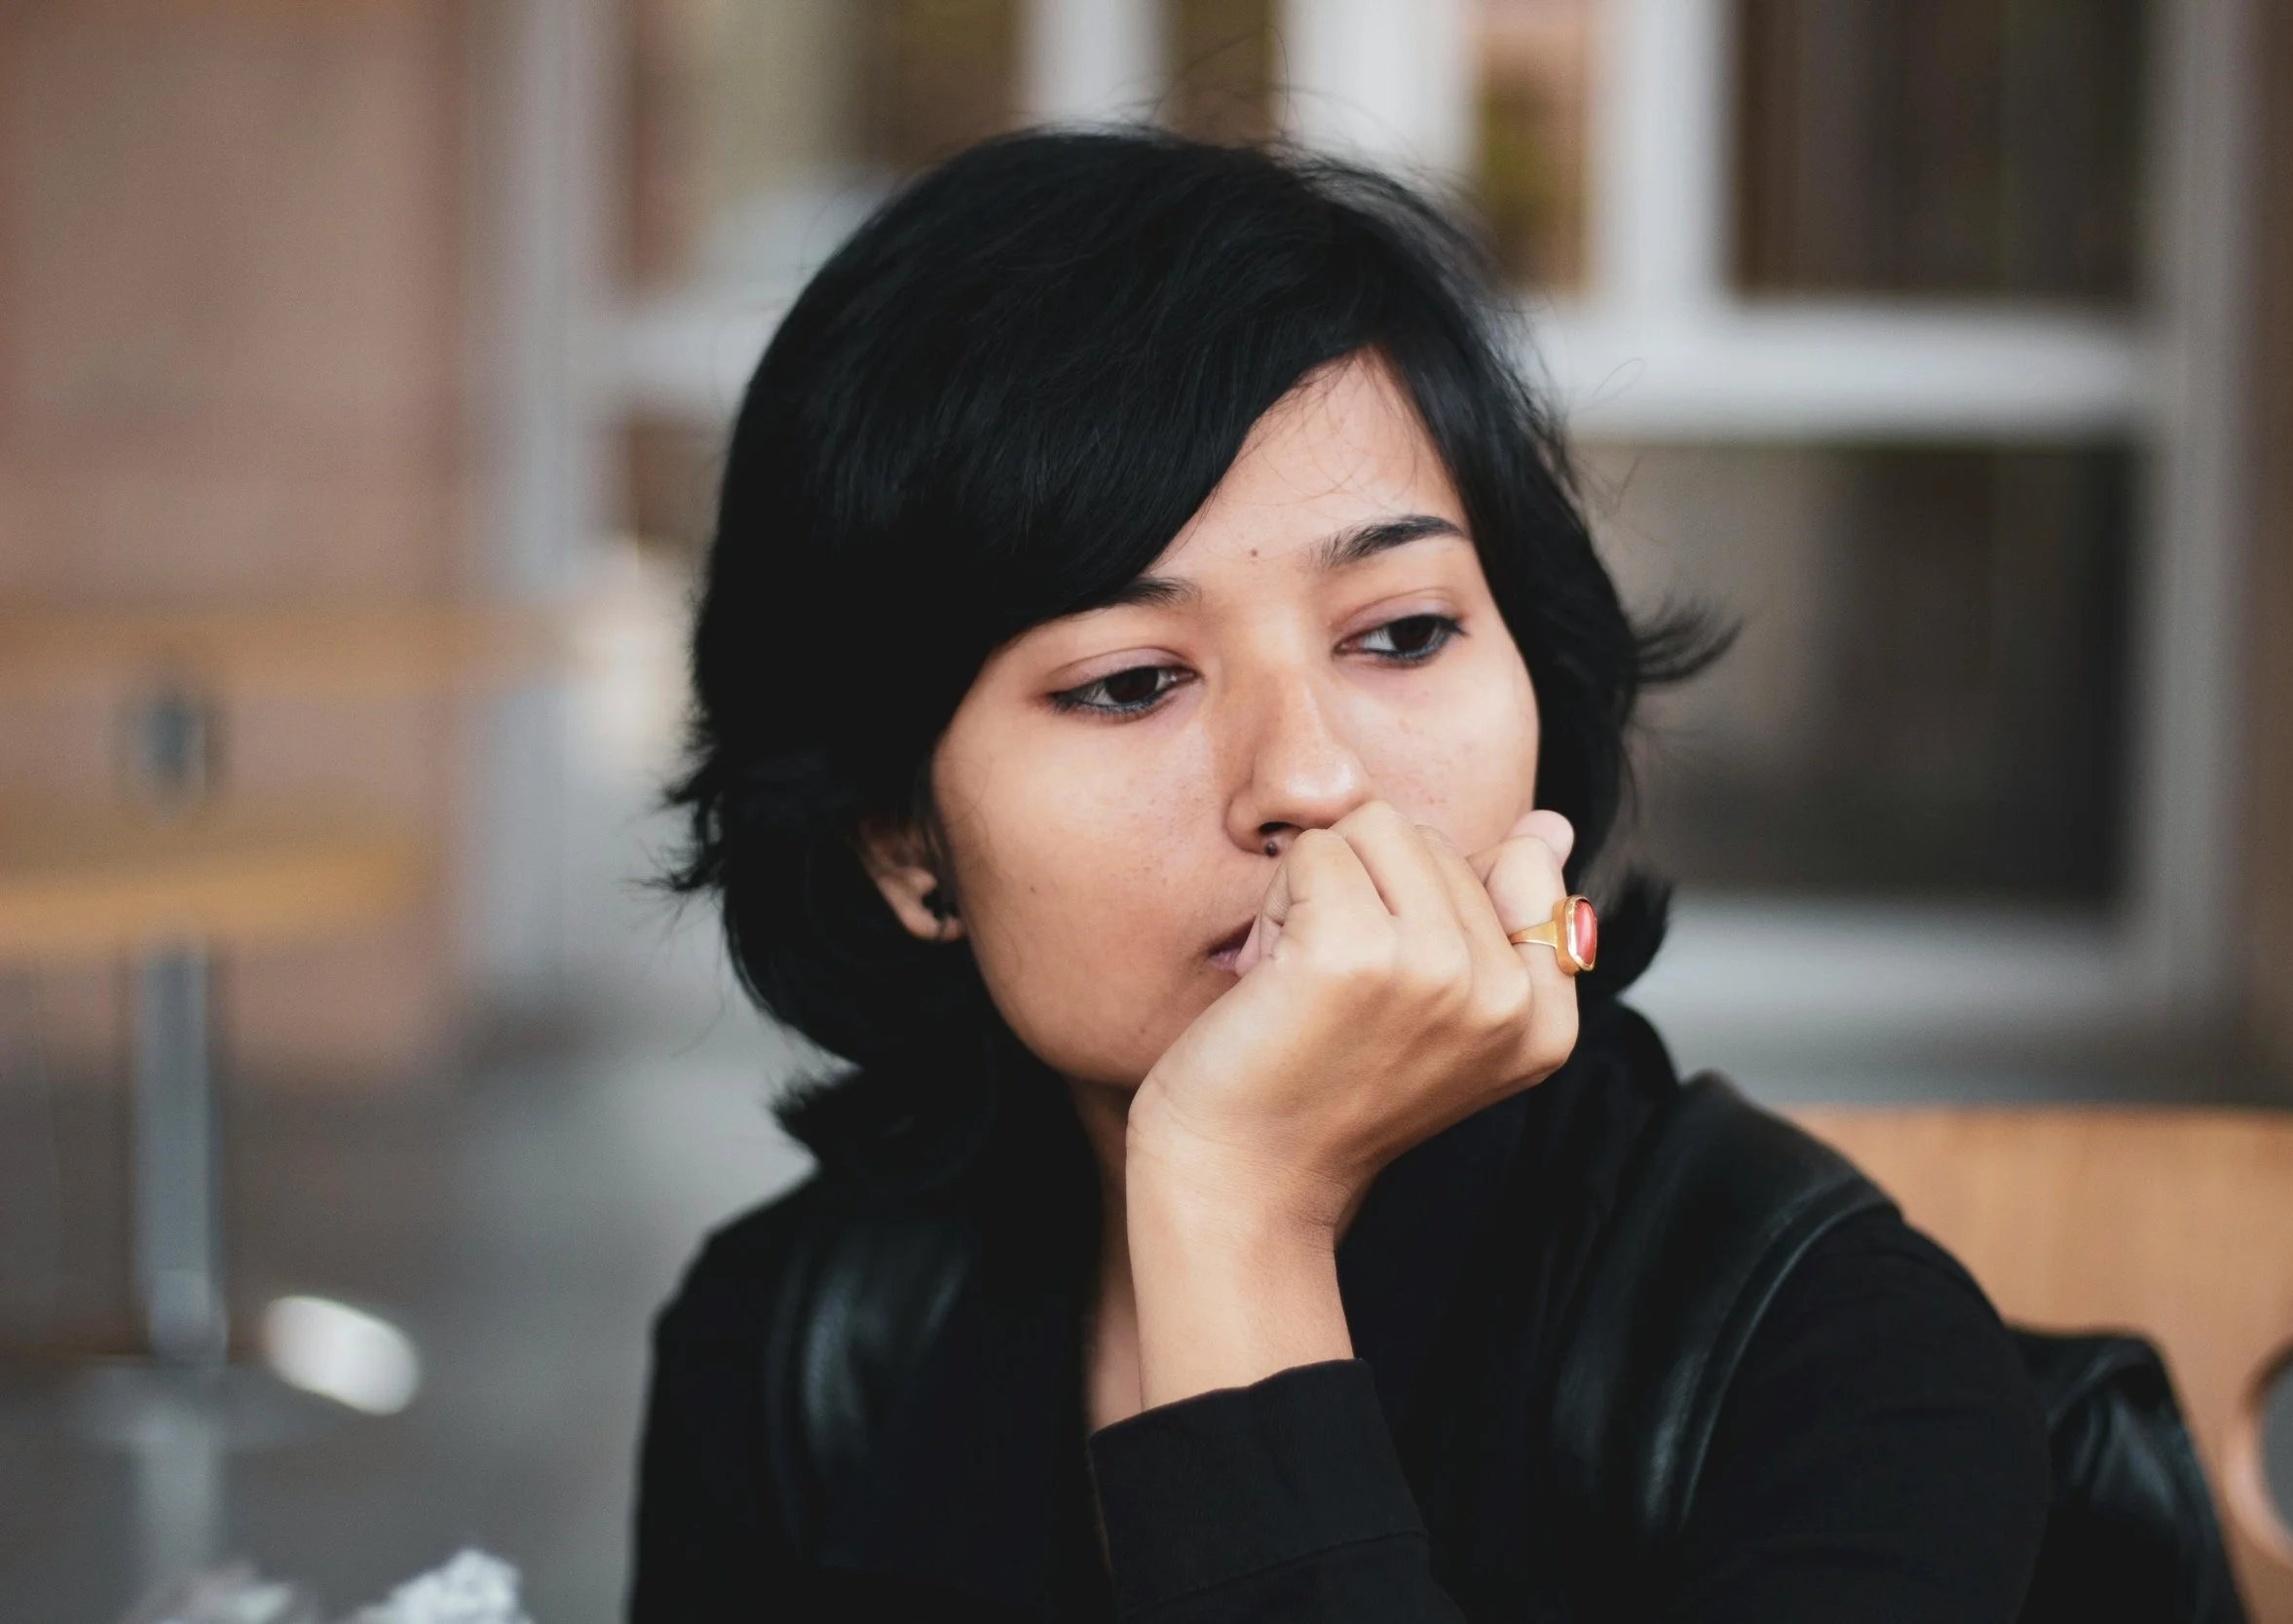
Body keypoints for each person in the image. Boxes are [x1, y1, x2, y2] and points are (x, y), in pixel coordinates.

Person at [631, 130, 2048, 1623]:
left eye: (1400, 632)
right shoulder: (784, 1354)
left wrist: (1241, 1216)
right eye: (1128, 682)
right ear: (902, 842)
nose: (1308, 778)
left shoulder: (1832, 1361)